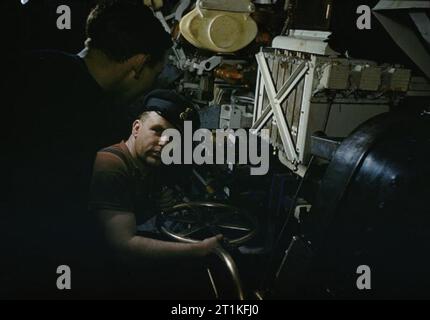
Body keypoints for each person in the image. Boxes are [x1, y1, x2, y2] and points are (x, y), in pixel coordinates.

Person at [4, 0, 172, 299]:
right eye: (153, 75)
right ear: (137, 65)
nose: (149, 86)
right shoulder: (98, 125)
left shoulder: (31, 63)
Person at [89, 90, 222, 299]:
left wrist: (155, 204)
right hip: (94, 268)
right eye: (157, 131)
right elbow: (123, 245)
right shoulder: (111, 164)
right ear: (136, 128)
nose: (163, 142)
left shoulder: (144, 163)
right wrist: (198, 249)